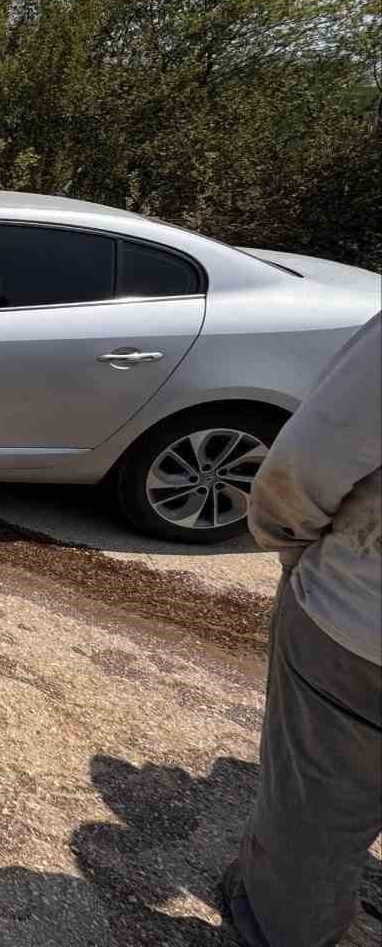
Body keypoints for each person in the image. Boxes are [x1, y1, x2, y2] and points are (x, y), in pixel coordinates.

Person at [219, 312, 381, 947]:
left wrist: (288, 547)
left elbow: (306, 464)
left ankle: (281, 929)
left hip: (357, 627)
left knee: (314, 818)